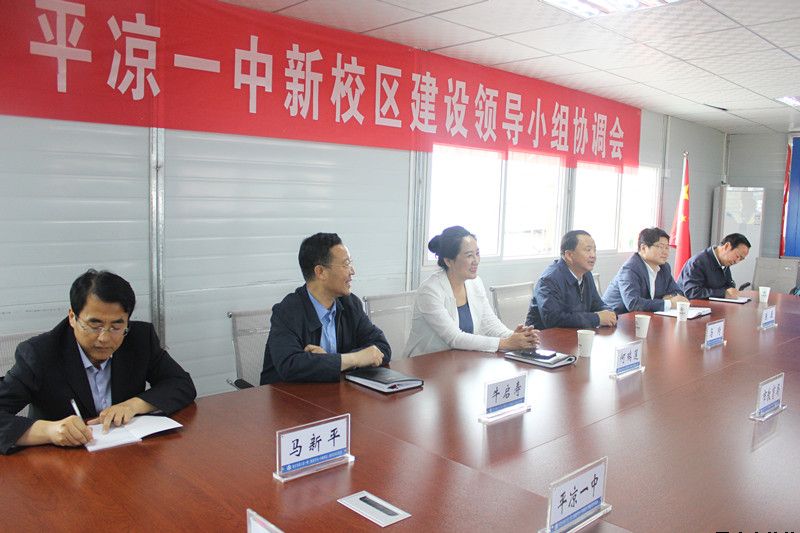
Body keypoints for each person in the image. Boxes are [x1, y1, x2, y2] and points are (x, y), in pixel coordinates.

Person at [0, 270, 196, 454]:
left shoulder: (140, 339)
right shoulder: (40, 353)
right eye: (94, 325)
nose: (104, 338)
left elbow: (180, 383)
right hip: (61, 462)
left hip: (126, 456)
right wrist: (49, 431)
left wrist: (133, 406)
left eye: (116, 326)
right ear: (72, 317)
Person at [261, 233, 390, 384]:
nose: (352, 271)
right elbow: (290, 365)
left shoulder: (350, 304)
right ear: (320, 272)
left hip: (333, 393)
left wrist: (329, 361)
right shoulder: (287, 311)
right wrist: (354, 359)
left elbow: (381, 348)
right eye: (346, 264)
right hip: (288, 396)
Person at [404, 226, 539, 357]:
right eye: (469, 255)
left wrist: (516, 337)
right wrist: (506, 343)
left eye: (477, 253)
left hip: (459, 361)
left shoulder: (475, 283)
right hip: (424, 364)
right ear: (448, 261)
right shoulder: (430, 291)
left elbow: (490, 325)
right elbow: (455, 338)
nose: (476, 261)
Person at [526, 230, 617, 329]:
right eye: (588, 250)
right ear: (569, 255)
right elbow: (554, 320)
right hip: (544, 337)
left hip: (575, 334)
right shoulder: (549, 280)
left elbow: (598, 304)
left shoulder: (586, 275)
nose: (593, 255)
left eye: (594, 250)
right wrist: (597, 318)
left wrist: (609, 313)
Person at [603, 227, 688, 314]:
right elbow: (633, 304)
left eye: (667, 247)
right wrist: (669, 303)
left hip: (644, 316)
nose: (665, 252)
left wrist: (670, 297)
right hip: (616, 317)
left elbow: (677, 292)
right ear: (643, 248)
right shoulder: (630, 269)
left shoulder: (664, 267)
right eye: (660, 247)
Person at [677, 233, 751, 300]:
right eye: (737, 256)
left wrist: (732, 291)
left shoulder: (725, 263)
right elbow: (692, 292)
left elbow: (728, 285)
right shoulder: (698, 262)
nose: (737, 261)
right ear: (727, 246)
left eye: (741, 259)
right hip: (690, 307)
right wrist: (723, 293)